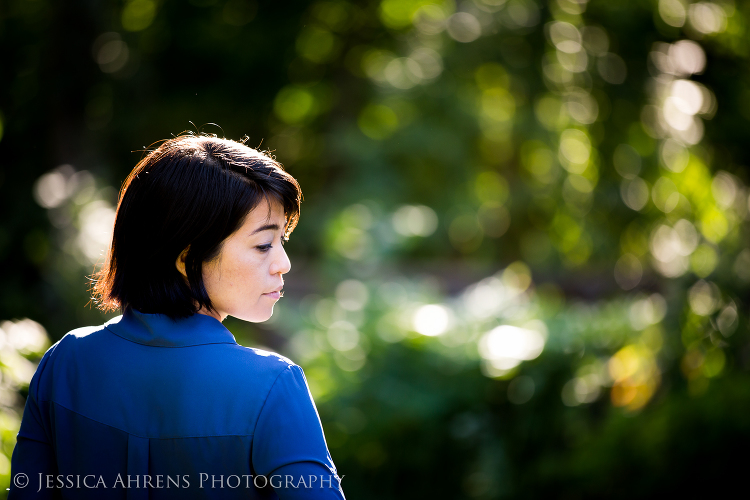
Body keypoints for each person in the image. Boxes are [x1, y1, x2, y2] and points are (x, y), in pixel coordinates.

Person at [9, 135, 346, 499]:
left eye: (283, 241)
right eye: (264, 245)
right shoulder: (273, 385)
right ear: (187, 259)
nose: (284, 263)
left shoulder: (65, 362)